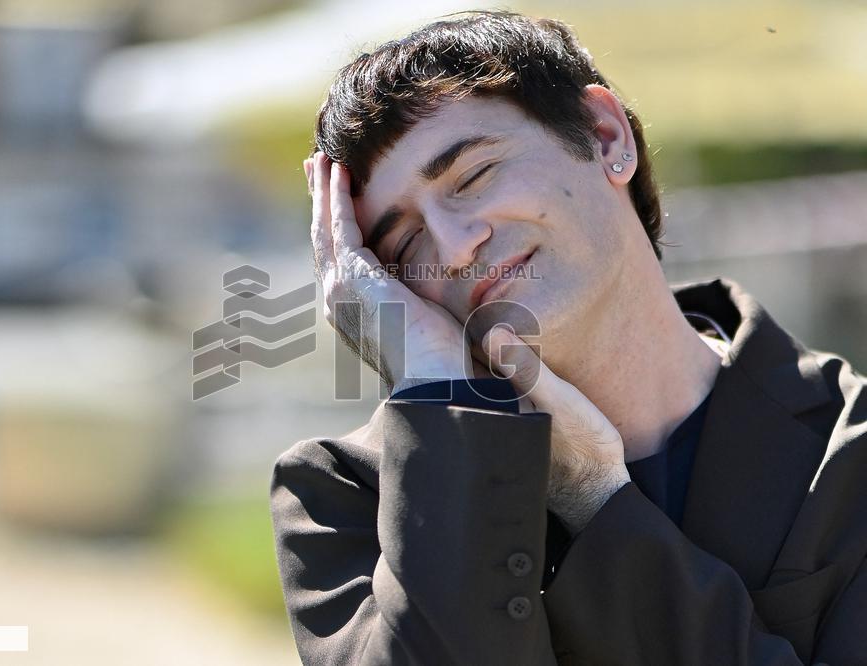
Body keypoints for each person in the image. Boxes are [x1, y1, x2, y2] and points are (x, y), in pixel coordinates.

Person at [269, 10, 867, 665]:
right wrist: (445, 397)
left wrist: (597, 501)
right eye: (404, 241)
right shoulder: (345, 494)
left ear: (605, 136)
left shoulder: (850, 447)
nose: (455, 245)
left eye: (473, 176)